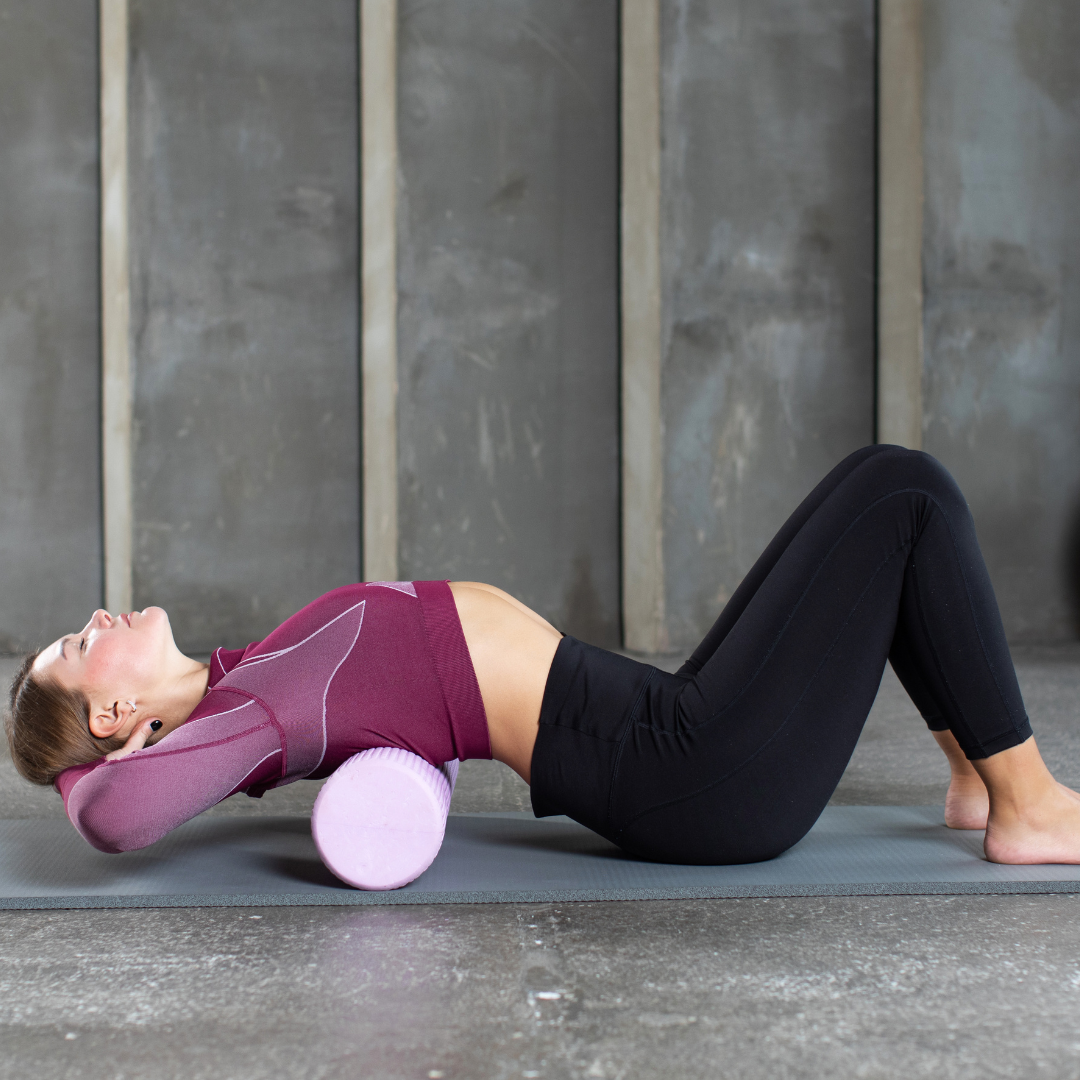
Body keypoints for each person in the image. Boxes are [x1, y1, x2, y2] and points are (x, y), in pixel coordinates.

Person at [7, 445, 1080, 864]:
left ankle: (975, 780)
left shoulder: (246, 674)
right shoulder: (251, 717)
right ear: (113, 718)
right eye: (77, 645)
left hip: (670, 732)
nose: (96, 618)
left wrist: (99, 741)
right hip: (691, 769)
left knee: (886, 497)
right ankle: (1026, 805)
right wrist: (75, 768)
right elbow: (112, 816)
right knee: (902, 494)